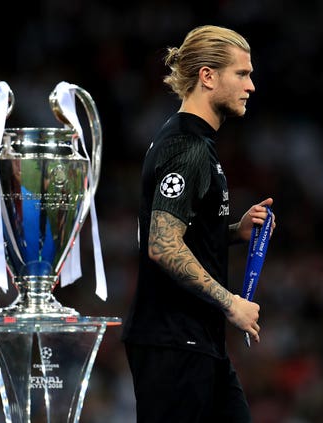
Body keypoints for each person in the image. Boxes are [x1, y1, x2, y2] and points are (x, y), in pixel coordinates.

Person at [121, 25, 276, 423]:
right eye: (242, 74)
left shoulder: (191, 142)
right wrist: (230, 303)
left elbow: (181, 233)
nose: (251, 86)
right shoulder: (186, 147)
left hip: (196, 341)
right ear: (207, 76)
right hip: (174, 343)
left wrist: (232, 233)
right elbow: (162, 244)